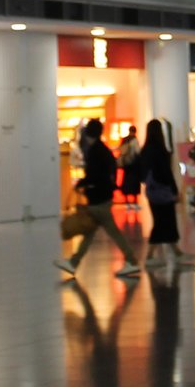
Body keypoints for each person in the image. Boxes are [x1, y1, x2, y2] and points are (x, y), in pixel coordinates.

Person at [59, 119, 143, 279]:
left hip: (99, 198)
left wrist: (82, 183)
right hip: (103, 196)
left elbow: (94, 175)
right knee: (91, 232)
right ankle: (74, 262)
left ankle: (131, 260)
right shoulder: (103, 150)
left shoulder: (94, 152)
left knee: (107, 231)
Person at [137, 119, 195, 271]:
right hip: (163, 190)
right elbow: (166, 173)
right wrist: (174, 190)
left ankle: (176, 252)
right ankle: (149, 256)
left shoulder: (145, 150)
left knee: (163, 221)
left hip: (152, 191)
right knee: (164, 222)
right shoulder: (159, 150)